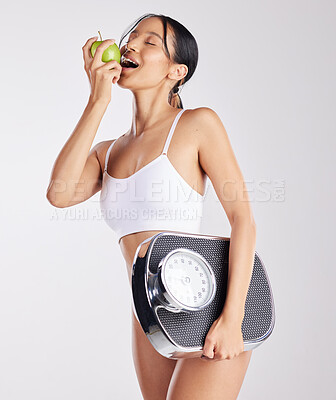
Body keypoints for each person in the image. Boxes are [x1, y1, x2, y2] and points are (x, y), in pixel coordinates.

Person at [46, 12, 257, 400]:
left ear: (176, 71)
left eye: (150, 42)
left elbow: (243, 220)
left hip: (206, 306)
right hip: (148, 311)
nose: (130, 45)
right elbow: (59, 194)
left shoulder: (197, 124)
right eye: (131, 37)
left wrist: (233, 318)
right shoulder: (106, 153)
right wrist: (98, 100)